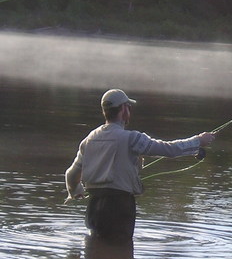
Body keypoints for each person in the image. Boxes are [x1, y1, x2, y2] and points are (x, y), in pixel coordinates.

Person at [65, 89, 215, 243]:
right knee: (121, 255)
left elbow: (71, 174)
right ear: (123, 109)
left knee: (94, 254)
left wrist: (75, 190)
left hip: (94, 207)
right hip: (120, 207)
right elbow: (169, 149)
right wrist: (198, 141)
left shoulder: (88, 140)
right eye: (128, 107)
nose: (129, 111)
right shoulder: (133, 138)